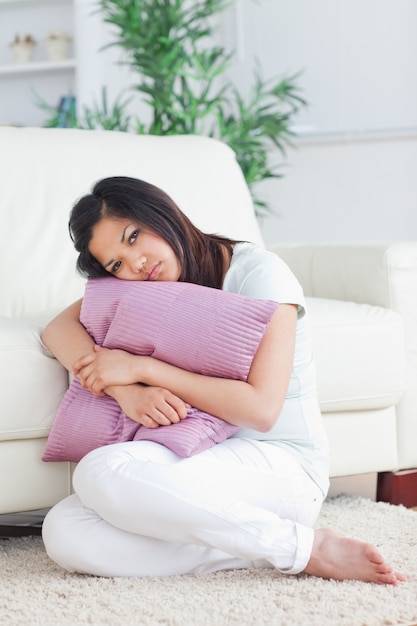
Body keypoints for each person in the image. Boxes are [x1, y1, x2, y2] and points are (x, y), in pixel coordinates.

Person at [41, 176, 405, 585]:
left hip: (283, 466)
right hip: (206, 465)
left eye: (133, 237)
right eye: (116, 265)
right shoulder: (149, 285)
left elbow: (261, 410)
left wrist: (143, 369)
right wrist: (122, 389)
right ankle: (257, 548)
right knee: (64, 529)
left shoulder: (258, 274)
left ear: (160, 212)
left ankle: (304, 550)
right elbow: (58, 329)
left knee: (100, 471)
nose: (135, 263)